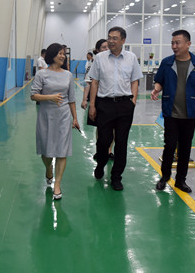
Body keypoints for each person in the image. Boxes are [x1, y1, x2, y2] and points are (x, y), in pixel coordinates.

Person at [151, 29, 195, 193]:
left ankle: (180, 180)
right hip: (171, 112)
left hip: (190, 112)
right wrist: (156, 89)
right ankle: (164, 177)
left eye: (177, 43)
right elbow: (159, 80)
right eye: (172, 43)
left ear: (188, 44)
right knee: (169, 146)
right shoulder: (167, 62)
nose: (174, 46)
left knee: (185, 147)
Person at [88, 27, 143, 191]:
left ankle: (116, 177)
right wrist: (92, 105)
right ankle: (101, 164)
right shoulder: (100, 58)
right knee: (103, 141)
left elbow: (135, 81)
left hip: (125, 105)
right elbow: (94, 82)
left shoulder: (131, 58)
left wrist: (133, 101)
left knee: (121, 142)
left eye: (115, 38)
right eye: (109, 37)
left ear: (123, 41)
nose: (111, 41)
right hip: (104, 104)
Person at [30, 43, 80, 200]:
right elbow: (33, 95)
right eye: (60, 53)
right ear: (52, 55)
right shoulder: (41, 74)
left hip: (63, 115)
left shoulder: (68, 75)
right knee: (46, 150)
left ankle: (57, 184)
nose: (63, 56)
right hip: (46, 116)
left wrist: (75, 118)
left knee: (62, 151)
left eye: (64, 53)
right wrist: (50, 97)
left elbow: (71, 99)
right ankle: (48, 167)